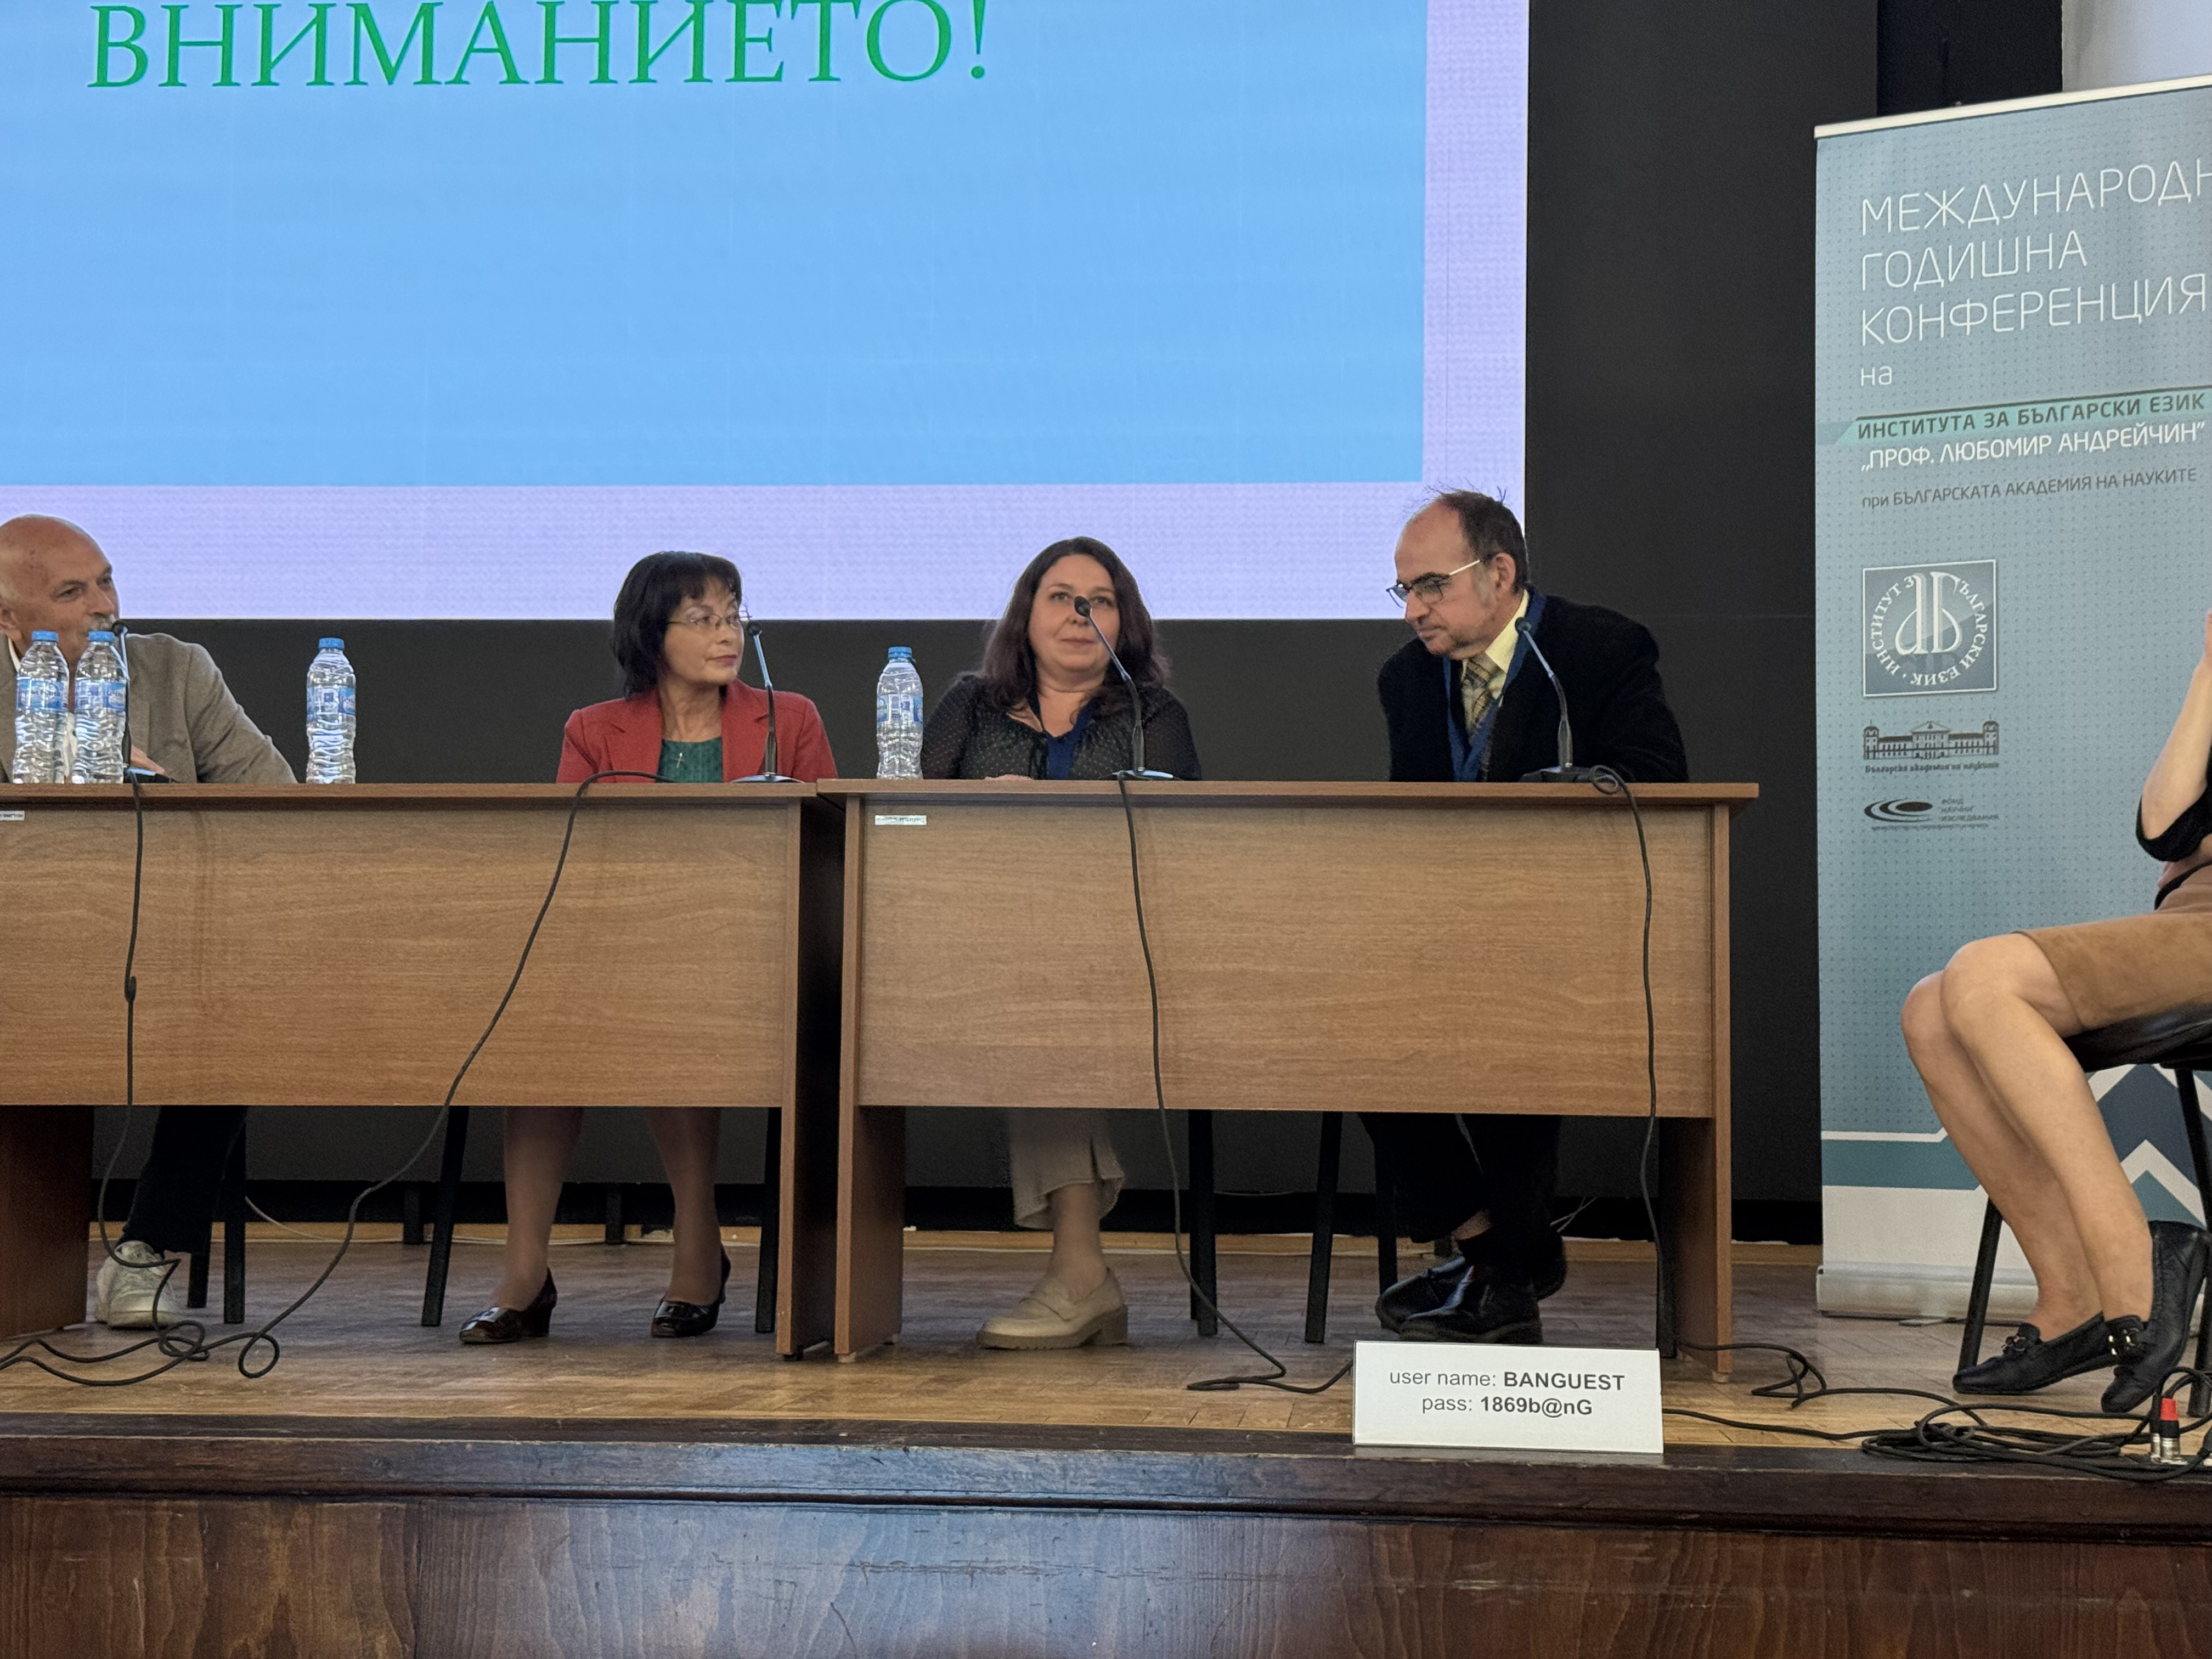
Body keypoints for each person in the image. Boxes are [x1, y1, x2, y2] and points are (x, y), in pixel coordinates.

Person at [461, 551, 835, 1344]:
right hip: (621, 944)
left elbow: (831, 849)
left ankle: (697, 1245)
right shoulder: (593, 729)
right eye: (702, 619)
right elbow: (568, 855)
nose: (727, 634)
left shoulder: (790, 719)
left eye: (733, 616)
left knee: (674, 1004)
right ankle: (525, 1270)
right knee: (537, 1031)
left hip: (754, 949)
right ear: (651, 634)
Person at [1364, 491, 1688, 1345]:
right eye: (1403, 590)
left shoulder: (1597, 649)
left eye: (1430, 585)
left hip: (1577, 940)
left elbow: (1659, 778)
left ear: (1499, 572)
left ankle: (1501, 1277)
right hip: (1448, 936)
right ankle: (1497, 1253)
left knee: (1510, 1030)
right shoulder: (1406, 678)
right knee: (1352, 1035)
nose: (1413, 610)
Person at [1900, 613, 2212, 1415]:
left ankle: (2132, 1261)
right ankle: (2074, 1291)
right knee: (1933, 1009)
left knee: (1984, 972)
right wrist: (2209, 671)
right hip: (2191, 918)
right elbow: (2164, 829)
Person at [0, 513, 294, 1331]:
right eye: (73, 591)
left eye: (107, 581)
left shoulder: (174, 669)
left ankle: (146, 1252)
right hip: (18, 941)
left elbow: (278, 803)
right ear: (9, 619)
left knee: (233, 1015)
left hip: (163, 941)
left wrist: (169, 800)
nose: (105, 605)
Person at [919, 536, 1201, 1349]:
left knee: (1043, 1001)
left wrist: (1045, 807)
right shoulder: (969, 705)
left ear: (1124, 621)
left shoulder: (1153, 715)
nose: (1081, 614)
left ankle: (1080, 1273)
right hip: (973, 935)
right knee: (1028, 987)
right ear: (1026, 614)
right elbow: (910, 811)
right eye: (1061, 598)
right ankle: (1081, 1275)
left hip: (1115, 943)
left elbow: (1180, 829)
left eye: (1099, 601)